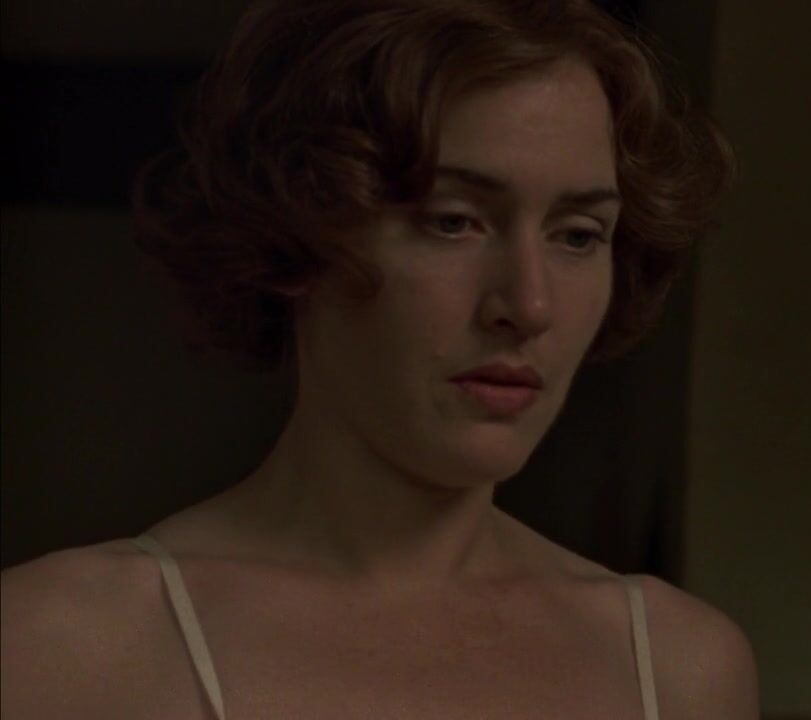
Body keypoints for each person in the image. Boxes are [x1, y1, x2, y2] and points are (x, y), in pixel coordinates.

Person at [0, 0, 757, 718]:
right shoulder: (62, 648)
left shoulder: (676, 666)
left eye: (578, 235)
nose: (528, 306)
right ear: (299, 232)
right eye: (452, 221)